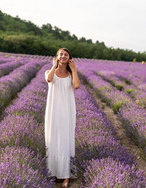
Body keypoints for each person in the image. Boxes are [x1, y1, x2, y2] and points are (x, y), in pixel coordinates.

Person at [44, 48, 81, 188]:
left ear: (69, 58)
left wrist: (74, 69)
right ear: (57, 57)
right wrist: (54, 65)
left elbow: (77, 86)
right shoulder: (49, 72)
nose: (63, 56)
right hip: (53, 110)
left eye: (66, 54)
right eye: (61, 54)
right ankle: (52, 172)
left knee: (65, 140)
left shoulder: (71, 75)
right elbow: (49, 79)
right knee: (53, 138)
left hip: (67, 110)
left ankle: (66, 176)